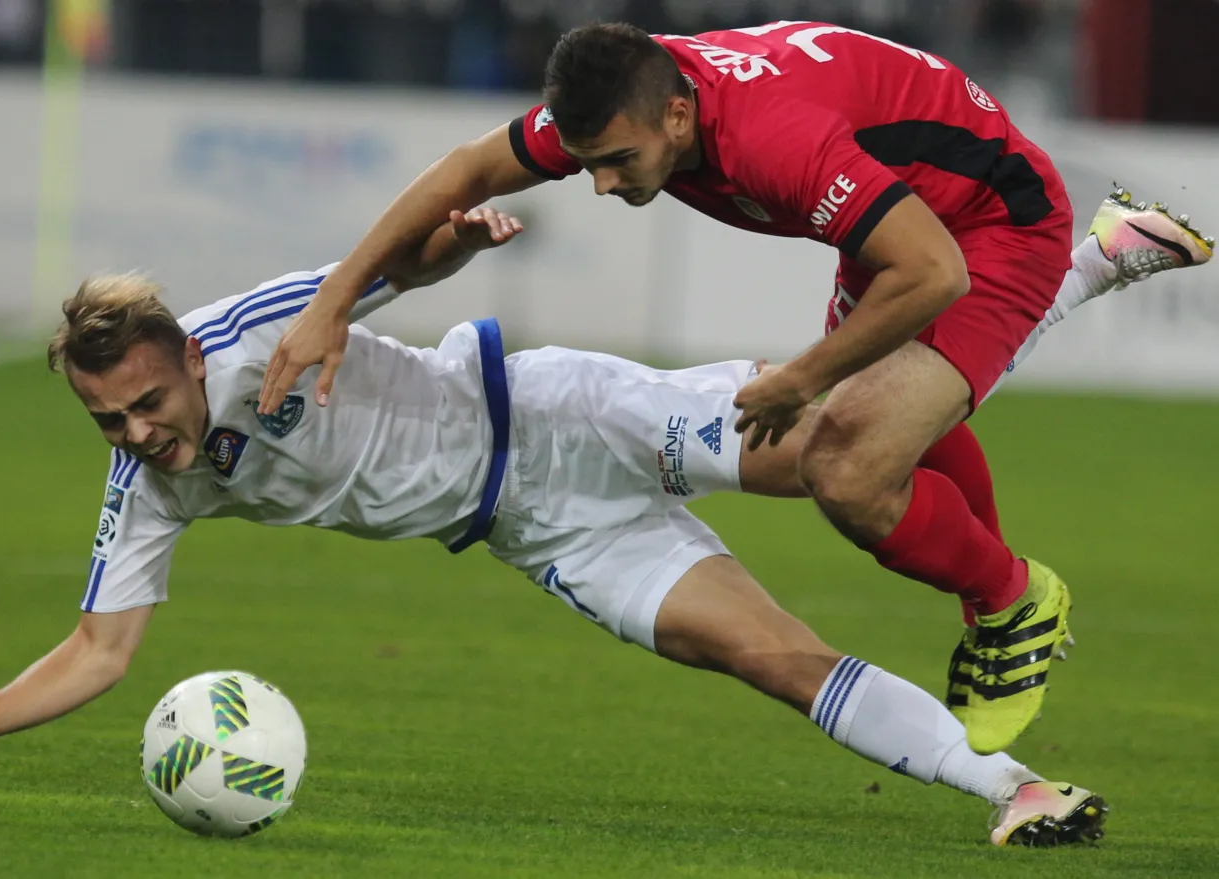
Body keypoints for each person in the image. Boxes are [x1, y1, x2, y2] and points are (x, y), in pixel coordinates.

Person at [0, 207, 1126, 847]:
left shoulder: (246, 334)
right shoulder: (154, 484)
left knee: (854, 439)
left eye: (143, 406)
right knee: (765, 658)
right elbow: (98, 652)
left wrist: (453, 241)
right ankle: (1012, 791)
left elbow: (380, 272)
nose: (135, 437)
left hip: (565, 414)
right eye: (105, 425)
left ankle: (1081, 262)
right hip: (540, 534)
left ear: (183, 356)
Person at [254, 20, 1215, 755]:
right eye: (585, 164)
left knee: (846, 464)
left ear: (678, 116)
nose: (599, 185)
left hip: (990, 228)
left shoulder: (773, 140)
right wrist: (335, 302)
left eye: (618, 163)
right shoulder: (632, 92)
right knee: (884, 430)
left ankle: (1014, 598)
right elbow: (469, 169)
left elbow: (933, 276)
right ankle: (1100, 275)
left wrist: (802, 377)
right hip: (898, 219)